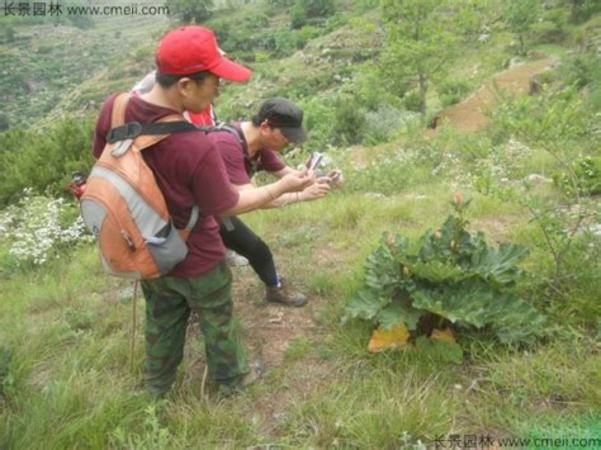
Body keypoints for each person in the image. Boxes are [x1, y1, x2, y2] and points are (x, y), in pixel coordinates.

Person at [92, 26, 315, 397]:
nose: (219, 90)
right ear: (185, 86)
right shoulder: (197, 146)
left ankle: (157, 387)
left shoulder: (113, 109)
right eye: (214, 82)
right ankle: (231, 381)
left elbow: (104, 163)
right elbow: (226, 205)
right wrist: (284, 187)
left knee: (162, 318)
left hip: (143, 246)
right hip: (196, 253)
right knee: (217, 317)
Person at [210, 98, 335, 307]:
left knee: (257, 249)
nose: (291, 142)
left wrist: (321, 179)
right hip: (191, 217)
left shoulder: (259, 146)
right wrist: (301, 196)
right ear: (266, 127)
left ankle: (274, 290)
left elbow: (290, 176)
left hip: (218, 211)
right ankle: (198, 312)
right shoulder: (226, 144)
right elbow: (250, 200)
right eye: (286, 136)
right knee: (206, 272)